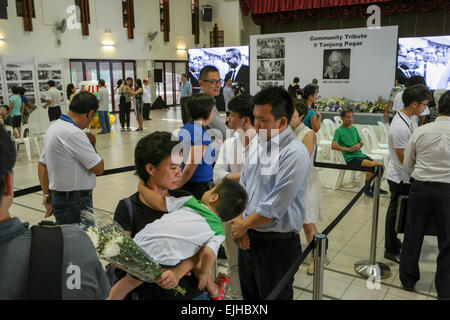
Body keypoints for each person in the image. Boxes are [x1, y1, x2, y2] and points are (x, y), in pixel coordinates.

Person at [0, 125, 110, 300]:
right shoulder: (73, 245)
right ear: (8, 183)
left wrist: (47, 194)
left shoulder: (53, 131)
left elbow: (42, 165)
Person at [229, 86, 310, 300]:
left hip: (277, 245)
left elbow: (275, 205)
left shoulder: (295, 154)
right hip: (248, 238)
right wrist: (240, 223)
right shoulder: (257, 143)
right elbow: (243, 187)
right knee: (251, 297)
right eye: (255, 118)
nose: (256, 124)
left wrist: (243, 225)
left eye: (262, 120)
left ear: (282, 122)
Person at [109, 178, 248, 301]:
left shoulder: (190, 201)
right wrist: (205, 273)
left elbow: (159, 203)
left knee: (124, 285)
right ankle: (215, 289)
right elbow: (208, 253)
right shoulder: (218, 231)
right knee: (130, 282)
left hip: (142, 241)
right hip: (164, 259)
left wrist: (142, 187)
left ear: (213, 197)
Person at [400, 90, 450, 300]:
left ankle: (409, 280)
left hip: (421, 187)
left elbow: (407, 164)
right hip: (448, 190)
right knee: (447, 240)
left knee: (413, 234)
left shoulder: (421, 131)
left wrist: (419, 176)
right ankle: (445, 288)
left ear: (437, 108)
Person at [213, 94, 257, 300]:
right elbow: (217, 176)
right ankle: (235, 297)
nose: (227, 119)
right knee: (234, 262)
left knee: (256, 262)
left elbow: (264, 183)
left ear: (245, 120)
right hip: (231, 211)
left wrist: (233, 177)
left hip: (257, 214)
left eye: (231, 115)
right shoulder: (230, 144)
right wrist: (244, 175)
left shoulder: (265, 145)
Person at [38, 92, 104, 225]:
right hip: (75, 202)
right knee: (83, 241)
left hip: (60, 197)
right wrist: (92, 145)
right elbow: (99, 168)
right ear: (90, 113)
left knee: (68, 241)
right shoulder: (73, 133)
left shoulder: (54, 128)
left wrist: (47, 194)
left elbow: (42, 165)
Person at [384, 84, 432, 264]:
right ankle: (390, 249)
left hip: (404, 174)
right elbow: (404, 158)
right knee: (394, 213)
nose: (425, 108)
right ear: (414, 104)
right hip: (399, 176)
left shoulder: (409, 120)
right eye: (424, 104)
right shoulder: (399, 127)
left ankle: (394, 241)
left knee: (399, 212)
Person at [290, 100, 325, 275]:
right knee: (295, 220)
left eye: (293, 114)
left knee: (307, 222)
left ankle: (315, 258)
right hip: (291, 181)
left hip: (305, 181)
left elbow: (302, 160)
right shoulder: (287, 130)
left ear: (302, 116)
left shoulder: (308, 134)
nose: (289, 118)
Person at [332, 109, 387, 197]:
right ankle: (366, 188)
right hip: (351, 159)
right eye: (348, 117)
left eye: (352, 117)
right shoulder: (339, 131)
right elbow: (333, 146)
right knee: (373, 165)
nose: (350, 119)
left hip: (360, 155)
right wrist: (348, 149)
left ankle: (375, 187)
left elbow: (361, 141)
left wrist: (359, 145)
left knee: (382, 166)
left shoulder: (353, 128)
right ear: (342, 118)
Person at [178, 94, 216, 200]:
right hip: (196, 186)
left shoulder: (190, 127)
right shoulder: (197, 132)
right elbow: (191, 166)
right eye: (213, 110)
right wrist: (176, 186)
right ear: (206, 111)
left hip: (194, 183)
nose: (213, 113)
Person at [199, 66, 228, 139]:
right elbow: (225, 133)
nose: (218, 85)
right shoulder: (204, 104)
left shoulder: (207, 101)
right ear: (201, 83)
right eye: (213, 82)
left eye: (219, 81)